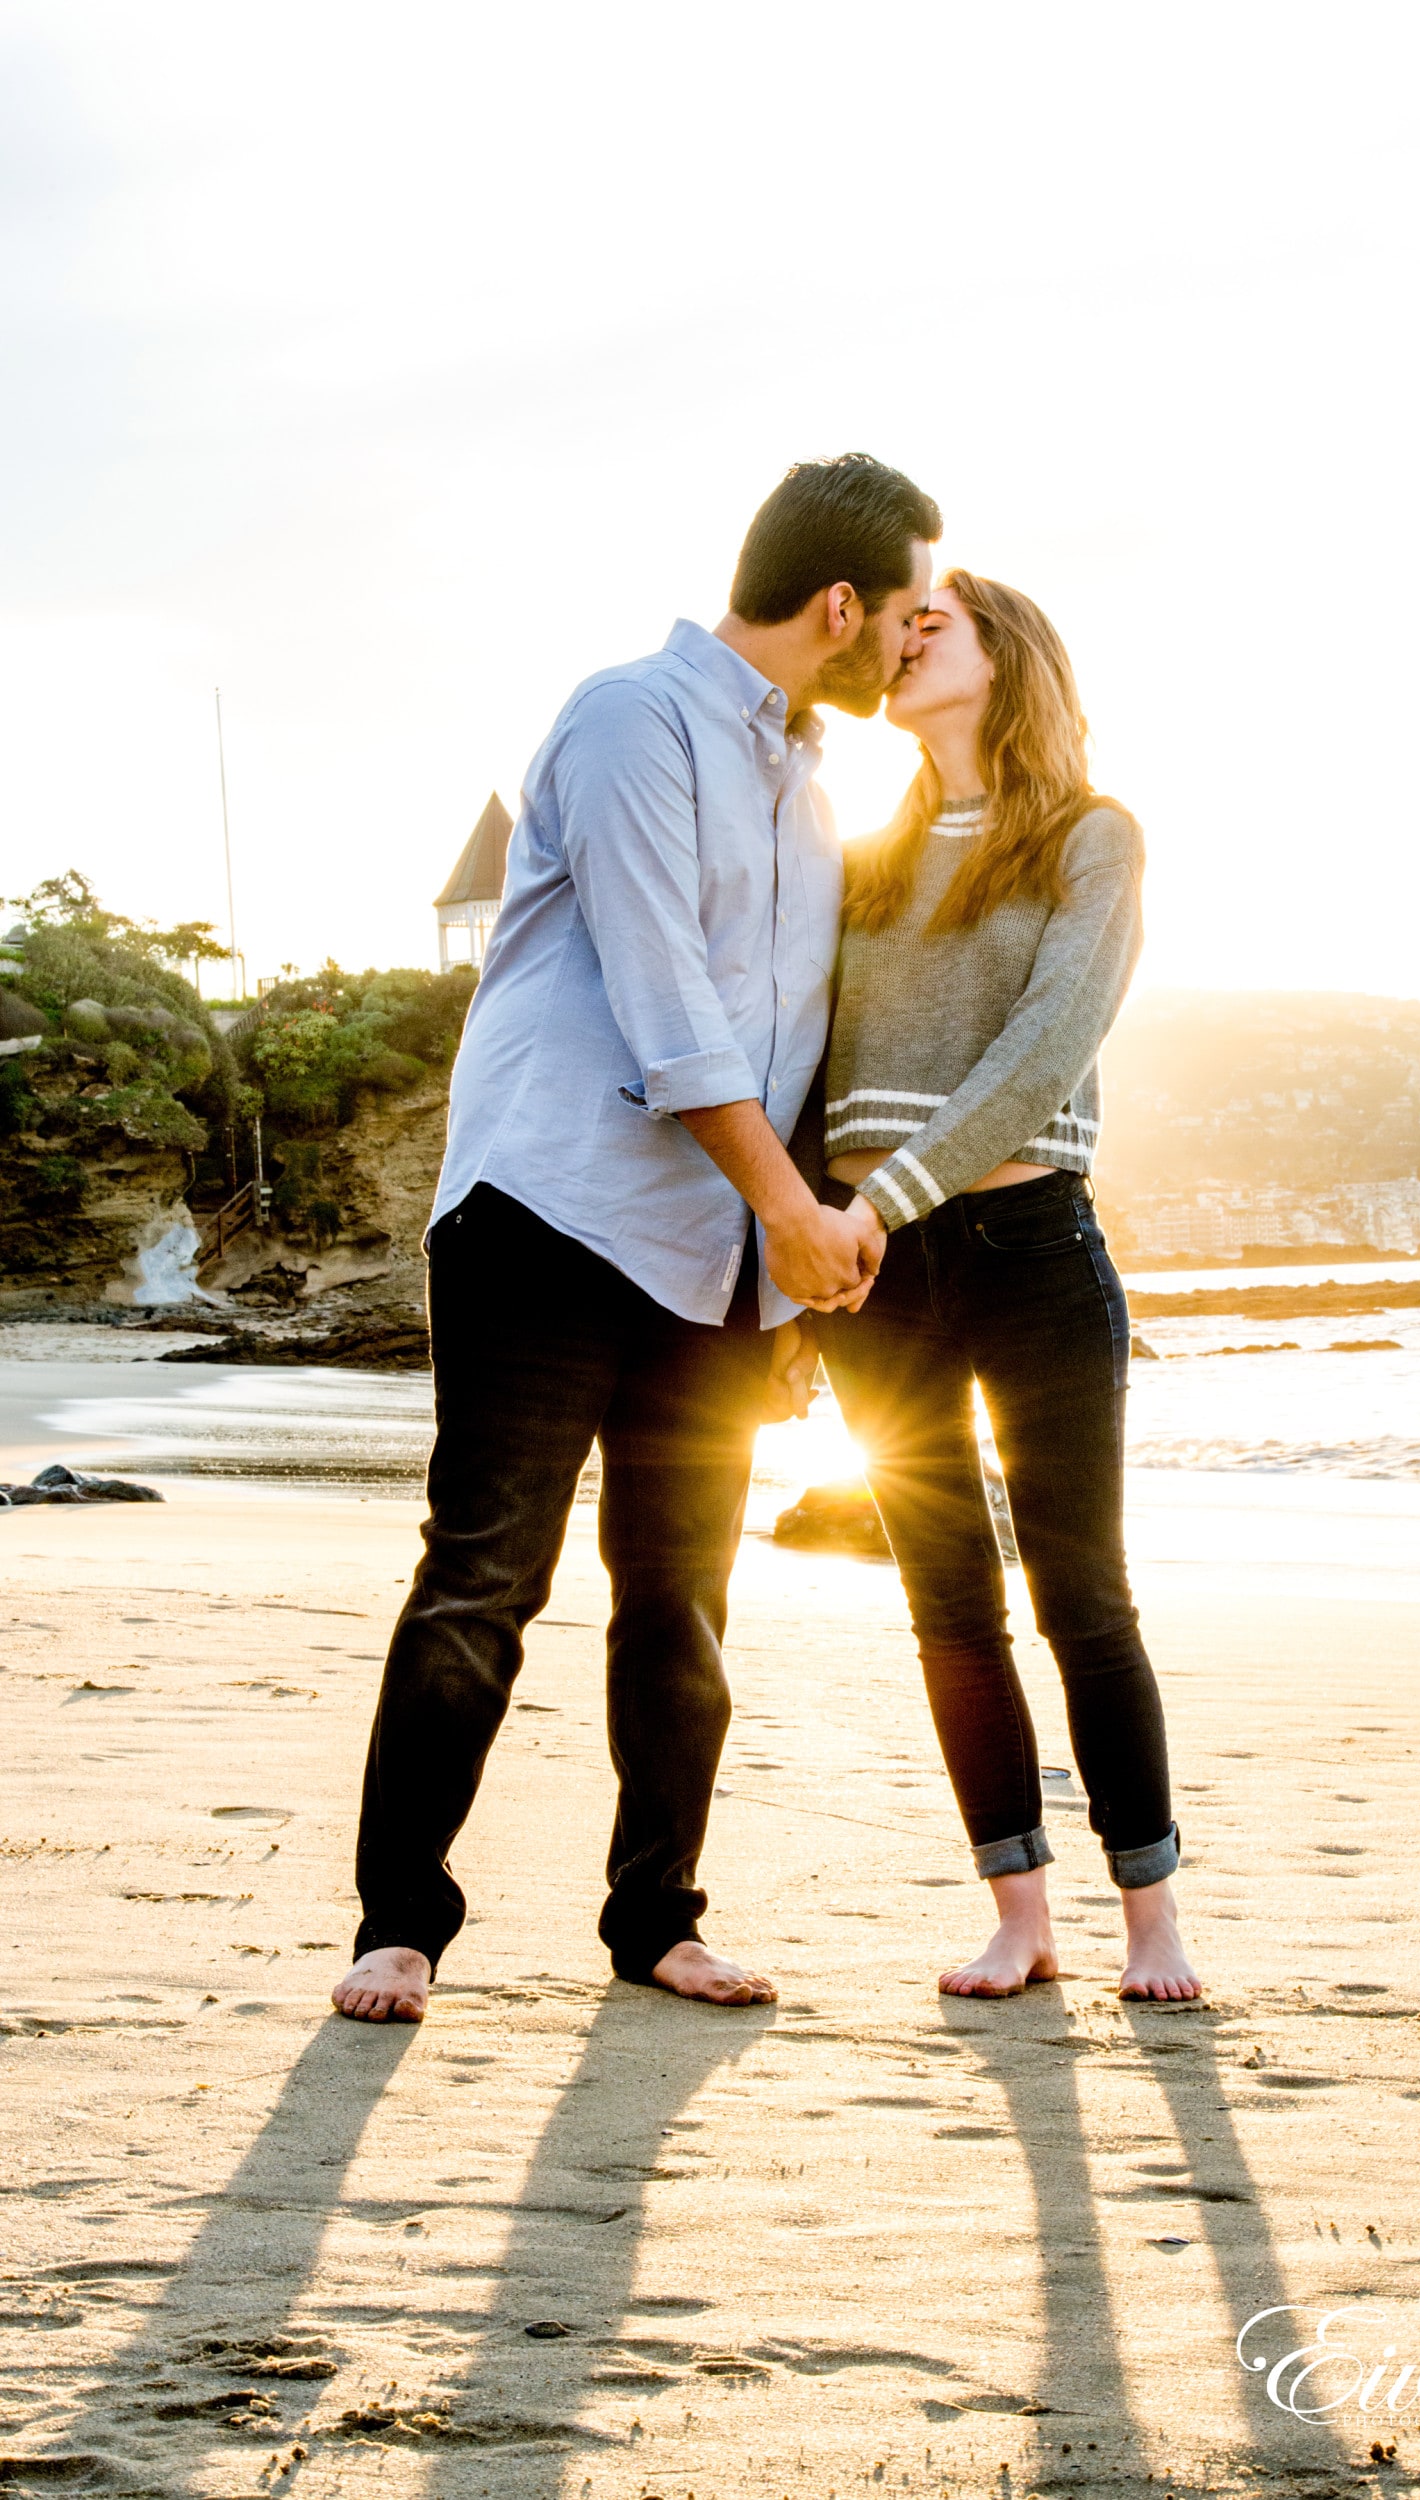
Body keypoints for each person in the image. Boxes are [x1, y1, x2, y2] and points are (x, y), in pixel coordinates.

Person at [332, 454, 939, 2023]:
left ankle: (654, 1920)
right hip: (550, 1209)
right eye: (907, 609)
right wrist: (790, 1213)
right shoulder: (627, 719)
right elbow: (667, 1002)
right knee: (484, 1577)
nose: (914, 636)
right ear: (839, 607)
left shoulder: (809, 788)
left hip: (714, 1253)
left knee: (680, 1595)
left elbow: (798, 1040)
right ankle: (397, 1928)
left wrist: (783, 1257)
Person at [807, 570, 1200, 2001]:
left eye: (934, 627)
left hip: (1030, 1251)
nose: (904, 645)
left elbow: (1045, 1049)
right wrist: (802, 1245)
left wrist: (874, 1205)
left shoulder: (1093, 841)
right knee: (947, 1603)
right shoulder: (853, 857)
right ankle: (1017, 1915)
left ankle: (1149, 1918)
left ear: (1008, 657)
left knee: (1081, 1595)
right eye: (898, 630)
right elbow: (802, 1062)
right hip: (870, 1276)